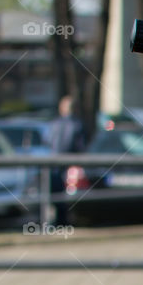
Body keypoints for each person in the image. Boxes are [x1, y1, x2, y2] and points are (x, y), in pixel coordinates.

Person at [48, 96, 86, 224]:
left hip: (53, 165)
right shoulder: (77, 124)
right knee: (68, 196)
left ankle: (59, 221)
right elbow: (80, 147)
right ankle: (65, 221)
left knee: (56, 195)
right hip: (69, 166)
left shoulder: (54, 124)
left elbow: (48, 142)